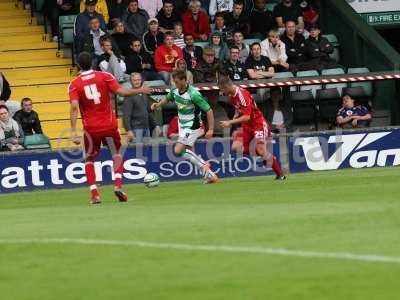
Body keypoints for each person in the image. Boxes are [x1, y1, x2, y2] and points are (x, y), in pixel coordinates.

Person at [69, 51, 153, 204]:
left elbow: (74, 107)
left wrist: (74, 132)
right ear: (92, 63)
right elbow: (121, 92)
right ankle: (118, 186)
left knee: (89, 159)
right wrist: (140, 90)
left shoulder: (74, 84)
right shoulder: (105, 76)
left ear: (78, 65)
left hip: (91, 128)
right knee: (117, 154)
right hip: (109, 124)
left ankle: (95, 194)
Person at [151, 70, 219, 183]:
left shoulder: (194, 94)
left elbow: (209, 110)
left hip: (193, 125)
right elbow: (167, 99)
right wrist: (158, 104)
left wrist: (211, 129)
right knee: (189, 153)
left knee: (178, 150)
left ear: (184, 80)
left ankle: (205, 165)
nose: (175, 84)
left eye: (177, 82)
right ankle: (210, 175)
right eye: (174, 82)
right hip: (182, 125)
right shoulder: (174, 91)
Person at [218, 76, 286, 180]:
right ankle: (265, 155)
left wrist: (230, 122)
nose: (221, 92)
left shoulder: (242, 95)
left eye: (222, 89)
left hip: (258, 124)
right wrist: (234, 117)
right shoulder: (232, 96)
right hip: (247, 126)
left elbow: (247, 116)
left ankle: (280, 175)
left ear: (226, 86)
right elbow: (238, 109)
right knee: (235, 147)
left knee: (261, 150)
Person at [123, 73, 155, 143]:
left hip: (146, 128)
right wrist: (128, 130)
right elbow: (126, 115)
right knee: (137, 152)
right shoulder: (129, 95)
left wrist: (152, 107)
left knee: (147, 151)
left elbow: (147, 110)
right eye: (134, 80)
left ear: (141, 81)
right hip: (136, 129)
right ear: (131, 82)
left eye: (138, 80)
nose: (137, 82)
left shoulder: (144, 93)